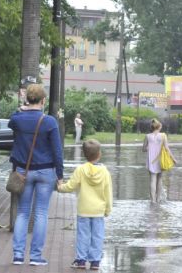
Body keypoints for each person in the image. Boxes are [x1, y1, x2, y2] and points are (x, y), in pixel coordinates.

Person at [10, 84, 64, 266]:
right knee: (41, 213)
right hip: (46, 171)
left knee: (23, 213)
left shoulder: (17, 119)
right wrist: (60, 174)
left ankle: (18, 255)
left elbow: (13, 119)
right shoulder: (49, 122)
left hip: (23, 172)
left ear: (27, 99)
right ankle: (35, 257)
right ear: (43, 101)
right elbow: (57, 150)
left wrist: (22, 106)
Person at [58, 140, 112, 271]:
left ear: (84, 154)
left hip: (83, 209)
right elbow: (108, 192)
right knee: (97, 236)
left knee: (83, 235)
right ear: (99, 154)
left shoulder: (81, 169)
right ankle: (95, 262)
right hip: (98, 211)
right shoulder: (105, 171)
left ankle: (81, 260)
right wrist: (108, 209)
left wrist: (60, 187)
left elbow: (70, 186)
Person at [142, 119, 176, 203]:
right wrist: (173, 158)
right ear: (159, 126)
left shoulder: (147, 136)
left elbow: (143, 149)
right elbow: (167, 148)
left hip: (151, 160)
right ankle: (158, 199)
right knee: (160, 178)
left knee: (152, 180)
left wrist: (148, 148)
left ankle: (152, 200)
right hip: (160, 159)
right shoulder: (163, 135)